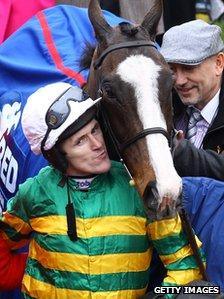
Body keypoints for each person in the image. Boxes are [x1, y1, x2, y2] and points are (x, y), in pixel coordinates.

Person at [0, 82, 204, 298]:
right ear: (56, 157)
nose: (97, 144)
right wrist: (37, 276)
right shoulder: (35, 192)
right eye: (80, 141)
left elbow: (186, 266)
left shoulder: (141, 186)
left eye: (95, 129)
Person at [160, 19, 224, 180]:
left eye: (189, 67)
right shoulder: (161, 104)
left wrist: (178, 150)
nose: (180, 81)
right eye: (172, 69)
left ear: (218, 63)